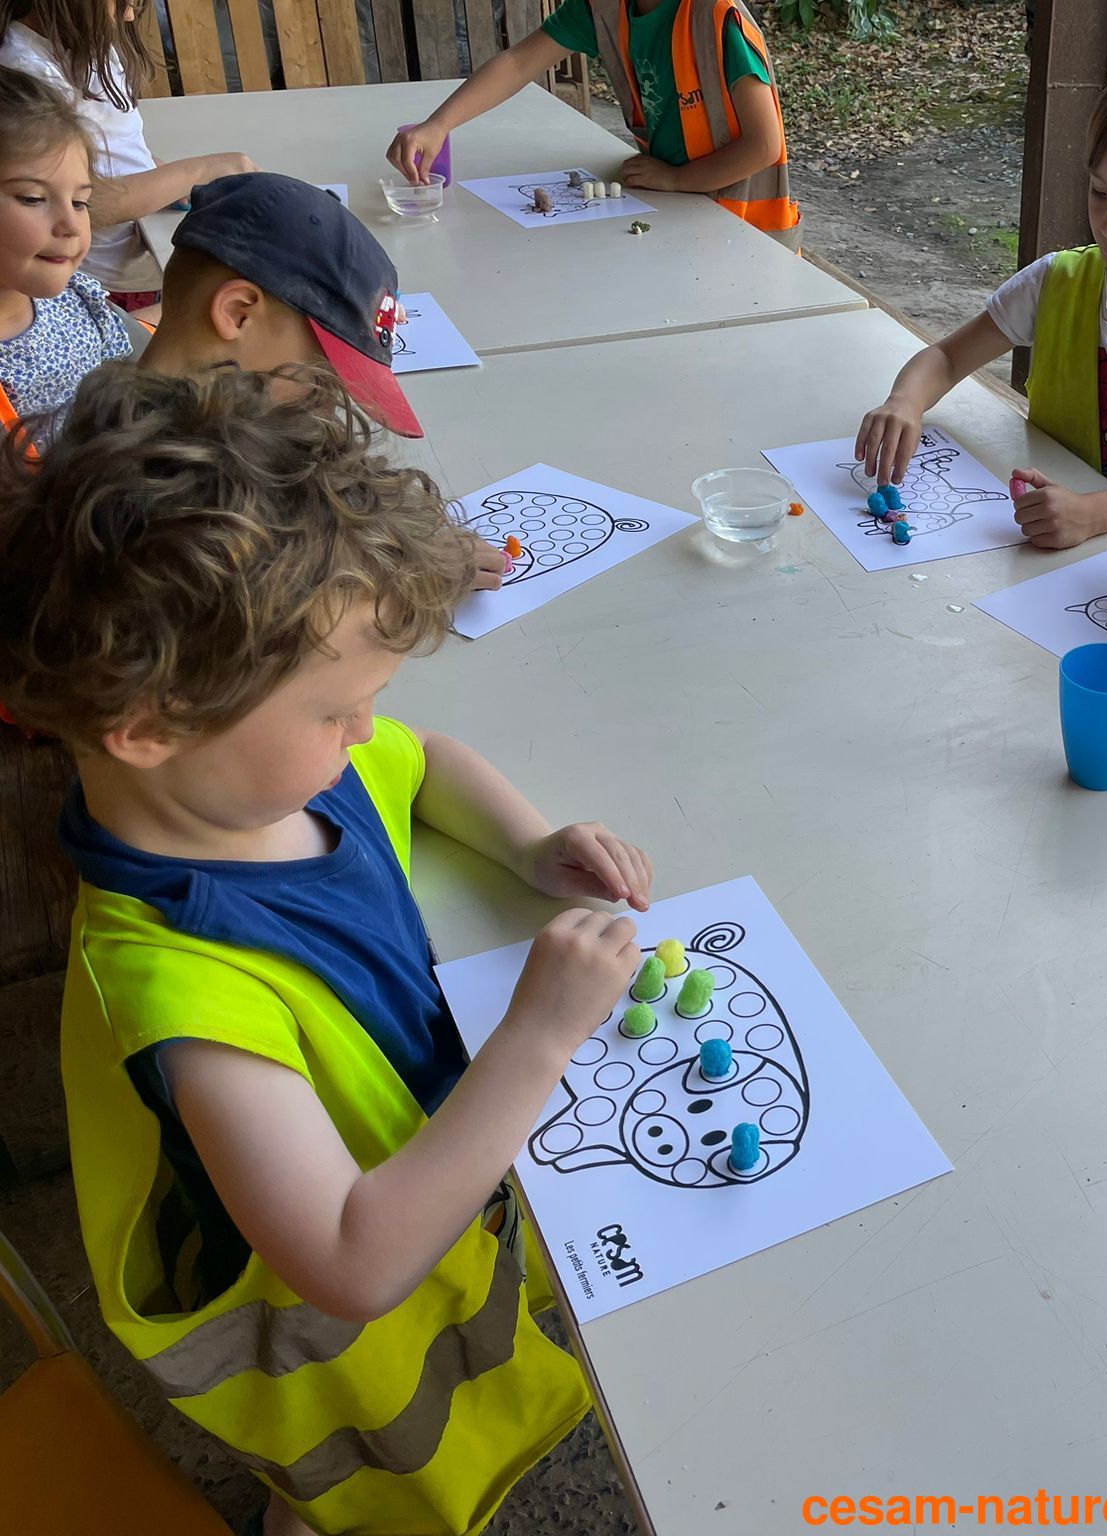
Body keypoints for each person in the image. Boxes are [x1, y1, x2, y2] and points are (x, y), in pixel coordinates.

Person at [0, 362, 658, 1536]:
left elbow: (427, 760)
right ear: (148, 723)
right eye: (333, 710)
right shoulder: (179, 989)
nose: (364, 732)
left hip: (424, 1159)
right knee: (367, 1463)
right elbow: (350, 1261)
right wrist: (539, 1036)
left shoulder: (272, 777)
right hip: (339, 1309)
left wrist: (528, 843)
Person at [858, 48, 1107, 550]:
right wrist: (904, 402)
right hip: (1048, 548)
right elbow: (945, 358)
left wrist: (1091, 515)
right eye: (1100, 192)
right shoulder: (1057, 281)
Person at [135, 169, 508, 589]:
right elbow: (267, 605)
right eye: (322, 375)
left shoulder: (202, 428)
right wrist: (402, 576)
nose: (328, 407)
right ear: (238, 313)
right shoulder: (150, 498)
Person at [387, 0, 798, 247]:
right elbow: (519, 62)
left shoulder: (717, 17)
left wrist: (677, 179)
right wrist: (439, 124)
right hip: (675, 215)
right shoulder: (604, 8)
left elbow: (764, 145)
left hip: (747, 233)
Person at [0, 1, 254, 307]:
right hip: (105, 289)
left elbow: (116, 148)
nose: (130, 15)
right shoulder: (26, 70)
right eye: (121, 2)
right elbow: (85, 200)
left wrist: (161, 175)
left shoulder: (90, 46)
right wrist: (202, 171)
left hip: (143, 259)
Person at [0, 65, 132, 442]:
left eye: (80, 202)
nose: (70, 225)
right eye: (32, 198)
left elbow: (131, 382)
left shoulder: (77, 300)